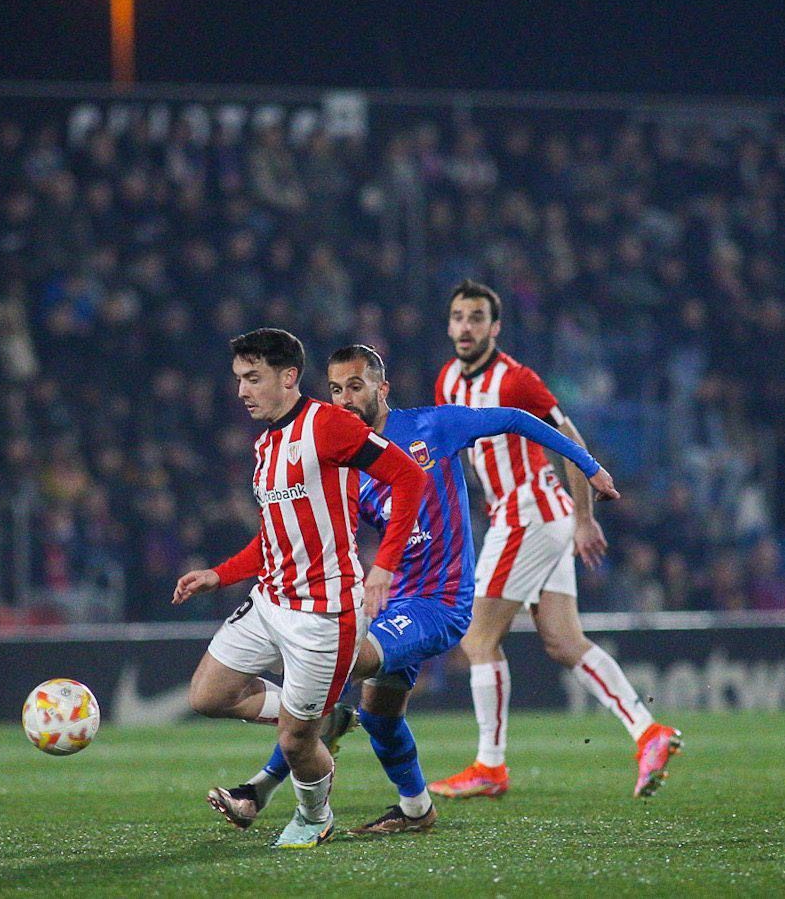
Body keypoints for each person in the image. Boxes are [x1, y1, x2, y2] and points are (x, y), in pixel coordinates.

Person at [208, 344, 618, 835]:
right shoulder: (347, 463)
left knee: (338, 663)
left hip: (439, 605)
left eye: (356, 387)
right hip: (392, 604)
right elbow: (294, 535)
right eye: (336, 389)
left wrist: (588, 466)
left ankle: (259, 788)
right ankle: (417, 809)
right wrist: (226, 573)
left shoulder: (432, 428)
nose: (344, 399)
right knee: (378, 717)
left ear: (382, 389)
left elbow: (514, 418)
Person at [172, 328, 428, 848]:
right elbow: (274, 535)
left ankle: (315, 816)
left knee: (294, 740)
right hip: (270, 599)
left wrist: (384, 566)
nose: (242, 391)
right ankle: (322, 718)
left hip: (324, 614)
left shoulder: (328, 425)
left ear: (288, 377)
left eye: (253, 378)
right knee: (208, 694)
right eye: (239, 379)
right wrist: (219, 574)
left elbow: (409, 478)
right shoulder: (265, 443)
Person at [428, 280, 681, 800]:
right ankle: (648, 732)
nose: (466, 327)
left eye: (477, 318)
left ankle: (489, 767)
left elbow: (570, 439)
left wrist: (585, 519)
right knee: (564, 642)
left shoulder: (516, 379)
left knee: (477, 639)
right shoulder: (448, 381)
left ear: (495, 328)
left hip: (530, 513)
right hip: (527, 515)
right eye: (458, 317)